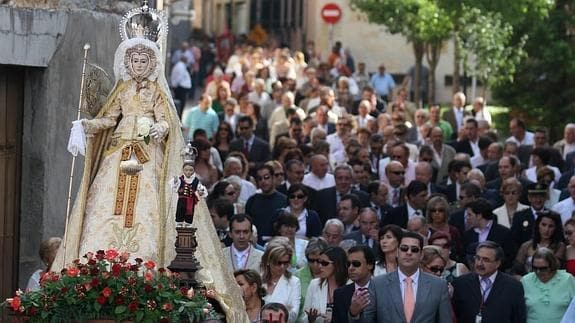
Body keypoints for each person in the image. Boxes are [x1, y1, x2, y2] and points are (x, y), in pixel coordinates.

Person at [54, 30, 247, 321]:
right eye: (134, 60)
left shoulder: (156, 91)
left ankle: (144, 268)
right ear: (127, 63)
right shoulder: (122, 91)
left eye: (144, 60)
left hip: (147, 153)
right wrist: (87, 125)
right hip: (119, 152)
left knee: (149, 207)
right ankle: (99, 266)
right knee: (106, 206)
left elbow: (166, 120)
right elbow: (109, 119)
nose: (139, 65)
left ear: (152, 63)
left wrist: (160, 129)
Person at [352, 231, 452, 323]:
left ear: (421, 255)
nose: (409, 252)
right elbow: (367, 320)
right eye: (404, 248)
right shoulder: (377, 284)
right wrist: (354, 314)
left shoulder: (439, 285)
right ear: (397, 252)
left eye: (414, 249)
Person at [452, 241, 526, 323]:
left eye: (485, 260)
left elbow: (519, 319)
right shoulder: (460, 284)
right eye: (477, 258)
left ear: (498, 263)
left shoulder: (513, 286)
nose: (479, 263)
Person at [521, 247, 575, 323]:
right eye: (535, 268)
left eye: (543, 268)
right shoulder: (525, 281)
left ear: (552, 265)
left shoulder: (568, 279)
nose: (538, 272)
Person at [302, 246, 348, 323]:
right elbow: (304, 316)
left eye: (324, 263)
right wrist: (311, 319)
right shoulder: (314, 284)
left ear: (337, 264)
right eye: (320, 262)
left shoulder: (350, 286)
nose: (320, 266)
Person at [261, 237, 301, 323]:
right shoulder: (258, 280)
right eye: (278, 263)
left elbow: (293, 315)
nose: (282, 266)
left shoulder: (294, 282)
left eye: (285, 262)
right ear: (268, 261)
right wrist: (284, 309)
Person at [512, 210, 566, 276]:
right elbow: (515, 271)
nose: (546, 230)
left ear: (556, 228)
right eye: (543, 225)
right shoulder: (526, 246)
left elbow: (555, 267)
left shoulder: (560, 246)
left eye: (551, 226)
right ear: (538, 225)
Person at [332, 245, 375, 323]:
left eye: (356, 264)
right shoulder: (339, 294)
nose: (351, 268)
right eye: (348, 264)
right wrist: (353, 314)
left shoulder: (383, 291)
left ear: (370, 265)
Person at [173, 156, 208, 228]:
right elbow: (175, 186)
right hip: (182, 199)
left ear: (193, 170)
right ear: (183, 170)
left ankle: (188, 222)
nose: (188, 172)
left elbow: (200, 188)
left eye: (190, 170)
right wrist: (176, 181)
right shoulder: (181, 179)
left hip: (190, 200)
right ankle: (179, 222)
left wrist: (201, 191)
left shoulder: (196, 181)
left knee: (190, 212)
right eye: (186, 170)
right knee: (180, 210)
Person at [295, 237, 329, 305]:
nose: (315, 264)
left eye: (319, 261)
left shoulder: (331, 275)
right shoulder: (297, 276)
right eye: (311, 260)